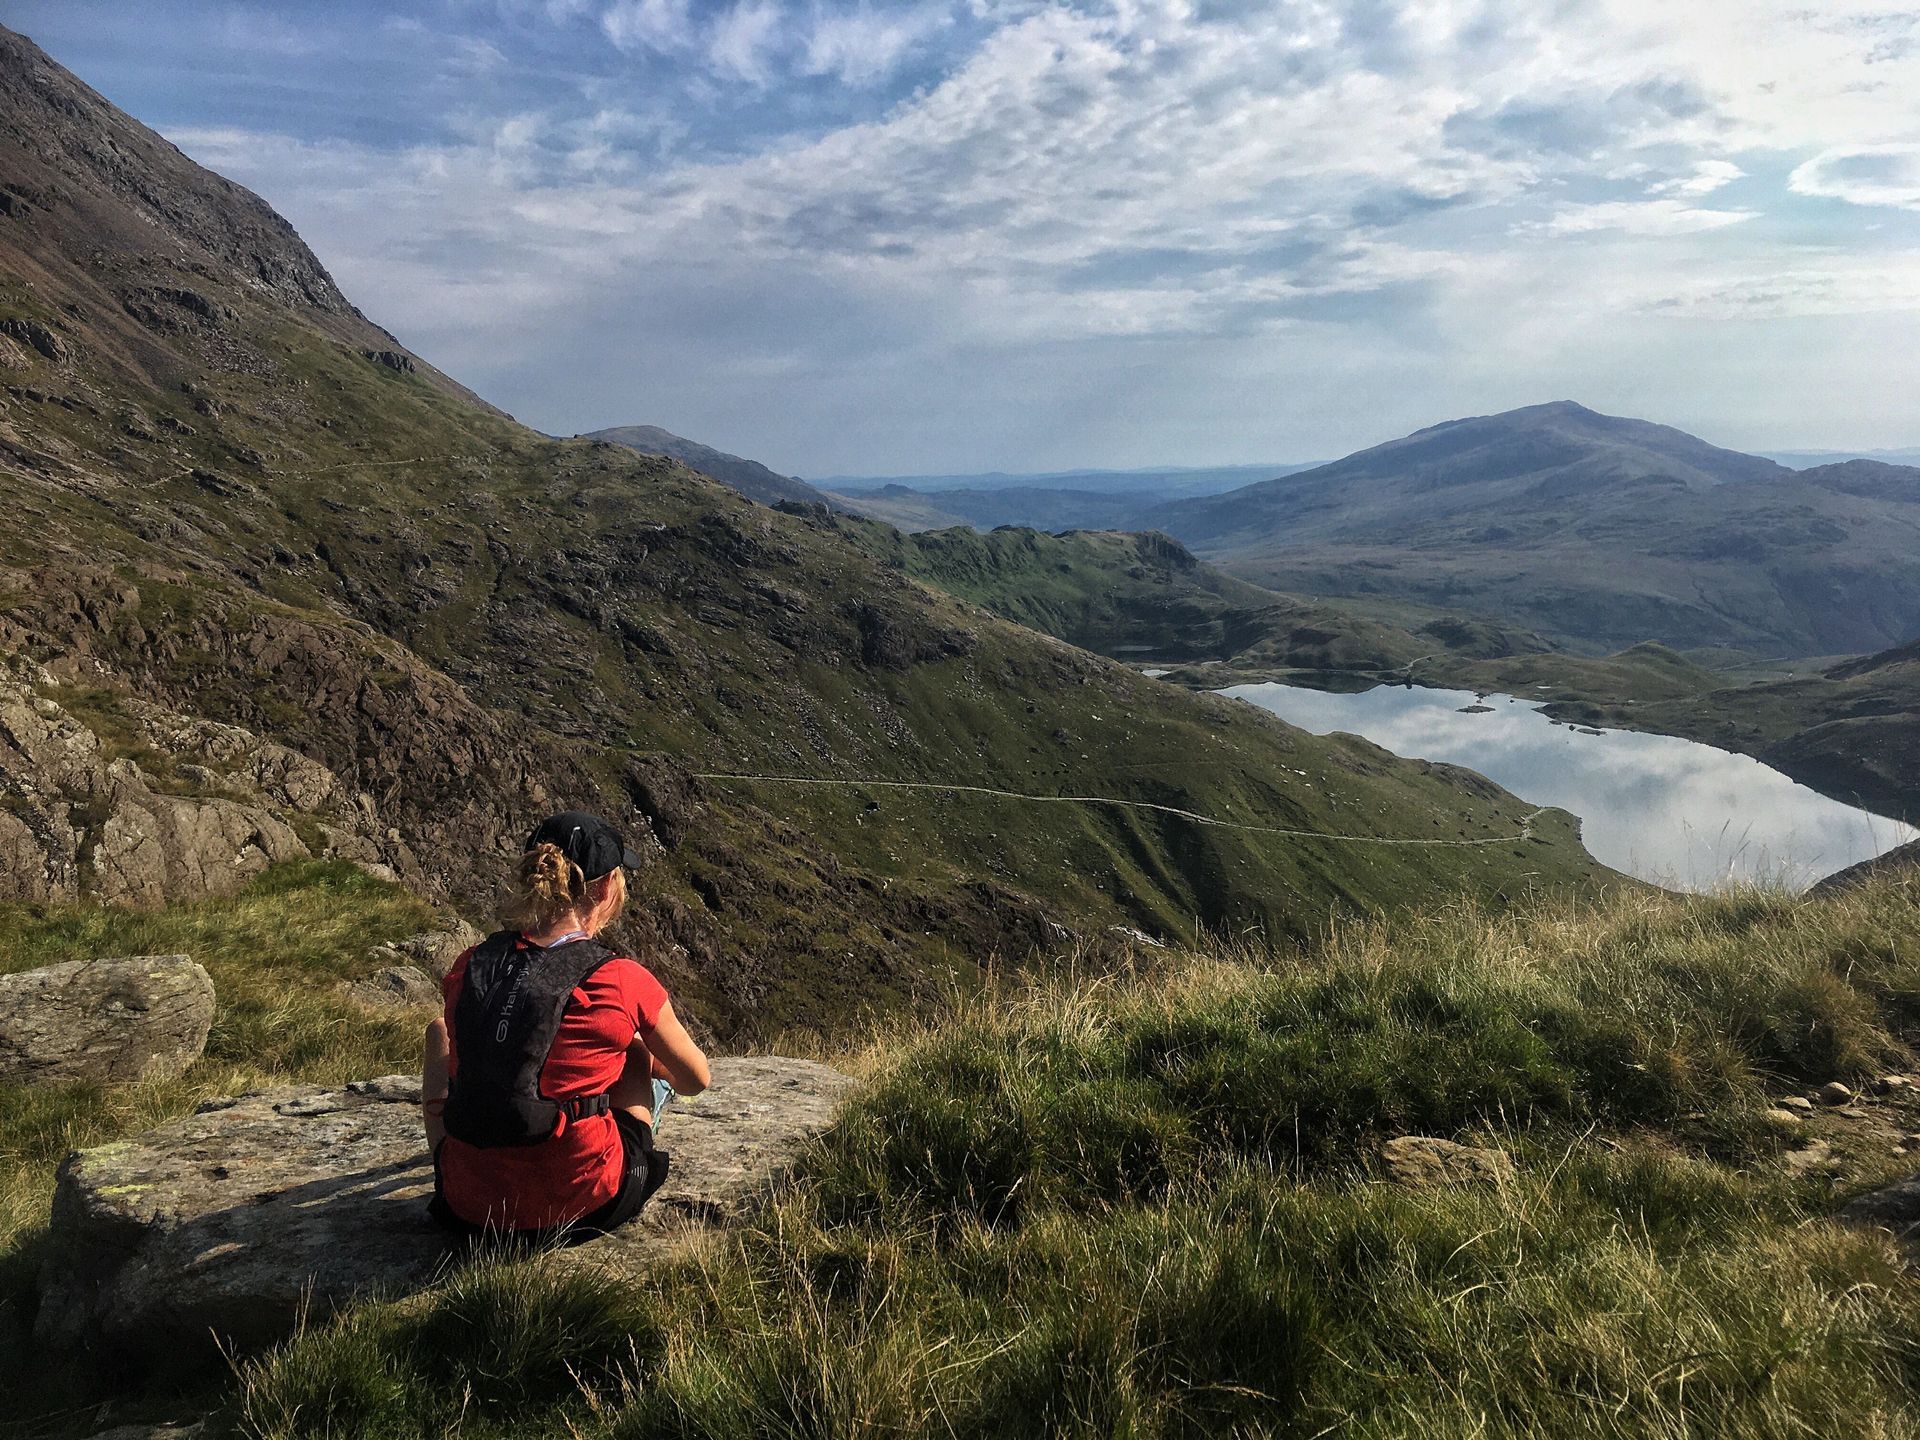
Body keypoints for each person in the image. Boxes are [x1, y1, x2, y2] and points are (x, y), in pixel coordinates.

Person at [421, 810, 711, 1241]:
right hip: (583, 1203)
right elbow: (696, 1079)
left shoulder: (471, 965)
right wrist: (641, 1058)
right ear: (607, 887)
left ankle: (454, 1158)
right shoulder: (621, 977)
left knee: (438, 1032)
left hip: (468, 1210)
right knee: (632, 1050)